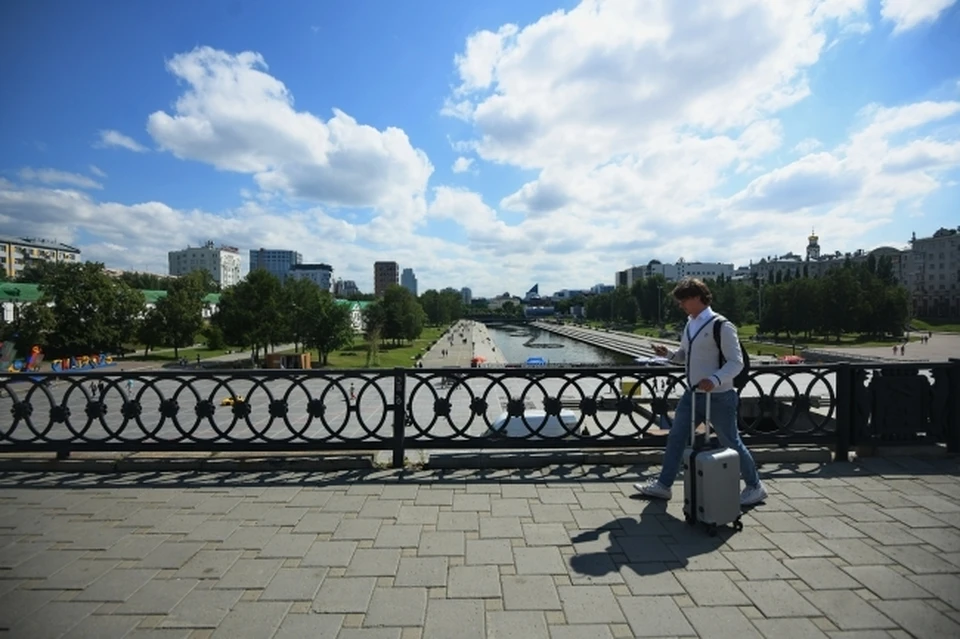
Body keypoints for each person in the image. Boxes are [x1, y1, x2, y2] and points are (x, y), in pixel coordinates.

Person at [634, 277, 767, 507]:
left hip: (719, 395)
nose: (680, 305)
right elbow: (684, 356)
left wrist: (714, 379)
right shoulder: (690, 324)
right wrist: (668, 354)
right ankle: (664, 486)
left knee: (731, 442)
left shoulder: (721, 325)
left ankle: (755, 486)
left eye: (683, 300)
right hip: (693, 393)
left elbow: (737, 363)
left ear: (697, 297)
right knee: (676, 436)